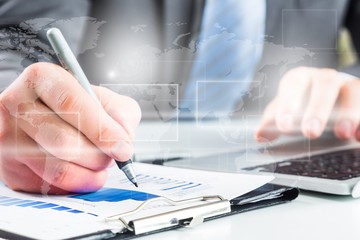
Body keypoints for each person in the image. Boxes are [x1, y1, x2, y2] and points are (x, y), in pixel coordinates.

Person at [0, 0, 360, 194]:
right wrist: (22, 108)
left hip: (295, 163)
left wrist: (350, 87)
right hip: (121, 153)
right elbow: (17, 40)